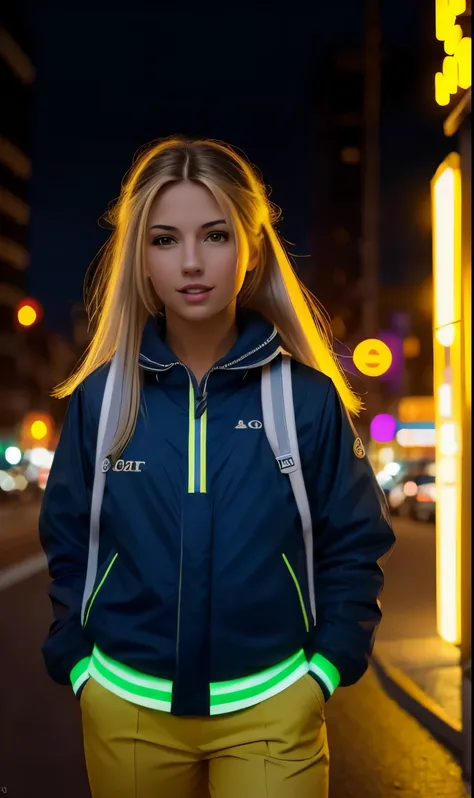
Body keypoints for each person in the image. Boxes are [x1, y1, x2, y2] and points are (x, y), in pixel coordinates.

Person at [39, 135, 395, 798]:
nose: (193, 262)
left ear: (251, 248)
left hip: (272, 711)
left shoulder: (305, 399)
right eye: (166, 239)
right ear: (140, 258)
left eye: (216, 235)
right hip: (126, 708)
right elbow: (69, 540)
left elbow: (355, 541)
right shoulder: (102, 399)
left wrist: (325, 668)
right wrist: (79, 663)